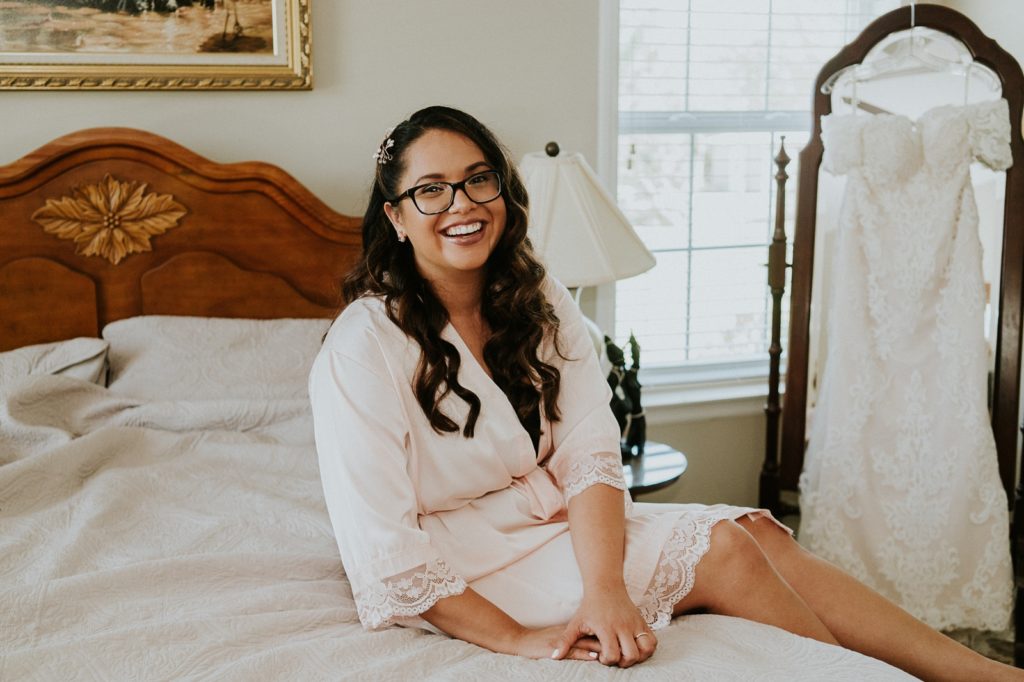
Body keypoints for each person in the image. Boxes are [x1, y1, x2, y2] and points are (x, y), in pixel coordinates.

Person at [309, 105, 1023, 679]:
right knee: (723, 550)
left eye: (478, 179)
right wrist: (517, 640)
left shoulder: (539, 297)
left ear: (502, 189)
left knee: (752, 534)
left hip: (548, 523)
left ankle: (983, 676)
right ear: (397, 217)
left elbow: (590, 450)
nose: (460, 204)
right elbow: (386, 551)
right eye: (430, 190)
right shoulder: (362, 346)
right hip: (462, 566)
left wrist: (606, 587)